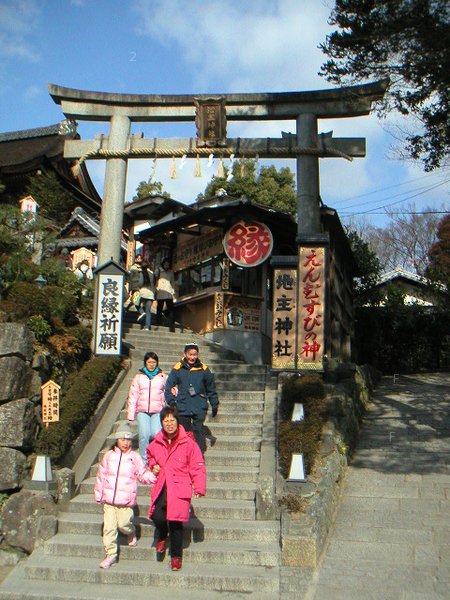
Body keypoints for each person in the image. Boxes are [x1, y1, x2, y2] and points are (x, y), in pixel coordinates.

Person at [146, 405, 206, 571]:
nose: (169, 424)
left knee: (176, 523)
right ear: (162, 423)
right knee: (157, 516)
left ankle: (176, 557)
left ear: (178, 421)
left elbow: (197, 465)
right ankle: (162, 535)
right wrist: (153, 465)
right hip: (162, 486)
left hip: (179, 488)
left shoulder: (188, 443)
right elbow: (149, 455)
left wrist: (199, 487)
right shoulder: (157, 441)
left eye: (172, 420)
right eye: (166, 421)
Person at [94, 423, 157, 570]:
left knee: (123, 524)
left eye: (128, 439)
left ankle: (131, 531)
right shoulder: (109, 456)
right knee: (109, 528)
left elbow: (142, 473)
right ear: (117, 440)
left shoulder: (134, 457)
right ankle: (110, 555)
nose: (125, 442)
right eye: (122, 439)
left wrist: (153, 477)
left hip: (126, 501)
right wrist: (99, 494)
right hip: (109, 500)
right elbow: (101, 476)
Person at [164, 342, 219, 454]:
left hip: (199, 405)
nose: (192, 357)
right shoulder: (178, 368)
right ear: (185, 354)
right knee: (184, 432)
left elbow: (211, 388)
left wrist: (214, 404)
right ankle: (184, 454)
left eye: (195, 355)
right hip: (183, 406)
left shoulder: (204, 369)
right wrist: (172, 402)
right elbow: (168, 387)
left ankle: (199, 455)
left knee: (198, 430)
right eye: (190, 354)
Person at [127, 352, 167, 463]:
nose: (151, 364)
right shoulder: (138, 377)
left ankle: (156, 458)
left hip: (157, 411)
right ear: (145, 363)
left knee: (156, 433)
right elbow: (133, 396)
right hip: (142, 411)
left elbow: (169, 390)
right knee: (144, 435)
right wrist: (131, 414)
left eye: (154, 362)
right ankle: (143, 460)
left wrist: (175, 392)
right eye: (149, 362)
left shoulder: (163, 377)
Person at [155, 258, 176, 332]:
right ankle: (158, 321)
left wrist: (173, 292)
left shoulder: (171, 272)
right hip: (160, 290)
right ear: (163, 264)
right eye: (165, 264)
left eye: (168, 264)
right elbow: (155, 278)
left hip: (168, 291)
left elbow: (172, 282)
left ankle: (171, 322)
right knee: (159, 307)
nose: (167, 265)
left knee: (170, 308)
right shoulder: (159, 270)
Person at [137, 260, 156, 330]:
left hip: (143, 293)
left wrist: (138, 286)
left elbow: (140, 283)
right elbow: (154, 283)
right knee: (148, 311)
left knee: (135, 303)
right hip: (151, 294)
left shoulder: (142, 273)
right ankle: (147, 327)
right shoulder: (152, 273)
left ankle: (142, 312)